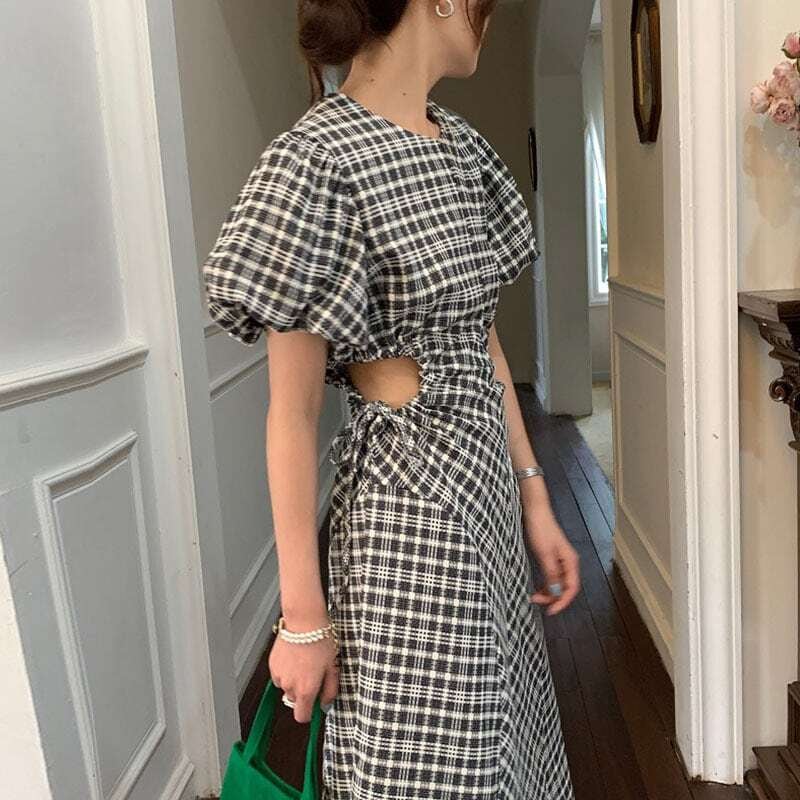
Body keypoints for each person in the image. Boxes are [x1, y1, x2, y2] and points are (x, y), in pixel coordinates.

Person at [202, 1, 580, 797]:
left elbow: (481, 339)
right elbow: (291, 417)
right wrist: (303, 619)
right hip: (409, 519)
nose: (489, 18)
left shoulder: (462, 148)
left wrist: (535, 497)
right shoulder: (315, 161)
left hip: (486, 498)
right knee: (434, 767)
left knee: (503, 744)